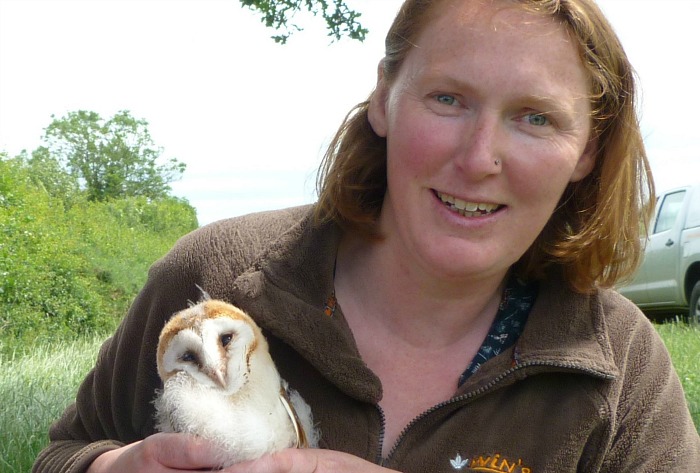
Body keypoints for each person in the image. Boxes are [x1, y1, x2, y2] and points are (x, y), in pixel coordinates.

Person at [34, 0, 700, 471]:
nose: (478, 157)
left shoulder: (620, 368)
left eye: (535, 118)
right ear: (385, 96)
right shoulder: (214, 277)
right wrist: (111, 466)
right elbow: (62, 453)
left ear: (587, 150)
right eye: (448, 98)